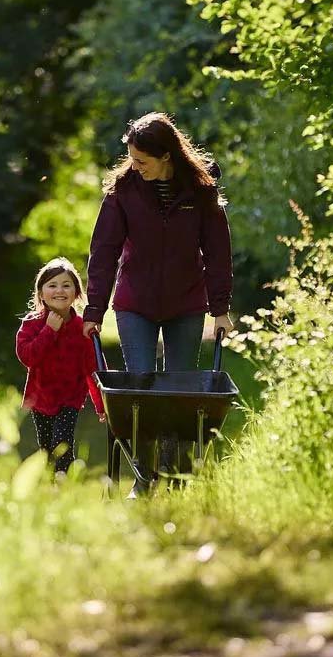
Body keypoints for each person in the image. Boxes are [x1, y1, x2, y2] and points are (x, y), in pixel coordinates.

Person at [81, 112, 234, 495]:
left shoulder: (200, 191)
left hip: (187, 303)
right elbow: (103, 252)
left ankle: (173, 472)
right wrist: (94, 310)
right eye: (131, 158)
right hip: (135, 303)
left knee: (180, 393)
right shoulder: (123, 191)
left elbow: (218, 254)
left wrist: (220, 309)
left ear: (166, 155)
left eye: (142, 160)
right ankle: (145, 478)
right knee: (141, 392)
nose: (135, 166)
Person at [16, 257, 105, 477]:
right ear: (41, 292)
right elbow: (28, 357)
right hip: (40, 399)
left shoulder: (82, 329)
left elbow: (93, 371)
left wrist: (102, 404)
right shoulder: (32, 324)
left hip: (69, 399)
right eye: (52, 285)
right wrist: (49, 331)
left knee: (62, 444)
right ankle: (52, 485)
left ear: (76, 292)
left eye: (66, 285)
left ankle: (63, 480)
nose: (59, 291)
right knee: (47, 449)